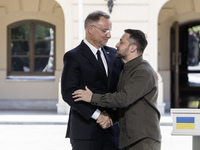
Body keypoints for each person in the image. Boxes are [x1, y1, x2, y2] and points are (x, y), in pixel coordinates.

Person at [73, 29, 162, 150]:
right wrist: (110, 118)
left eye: (121, 42)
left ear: (132, 48)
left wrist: (92, 97)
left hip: (143, 140)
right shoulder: (126, 69)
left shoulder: (143, 71)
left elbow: (123, 99)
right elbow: (126, 106)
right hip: (129, 139)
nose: (116, 45)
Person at [61, 10, 123, 150]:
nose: (109, 35)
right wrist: (98, 116)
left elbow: (127, 77)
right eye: (105, 30)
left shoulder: (114, 54)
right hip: (85, 131)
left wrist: (148, 71)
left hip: (113, 129)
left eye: (110, 31)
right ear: (90, 29)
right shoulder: (73, 56)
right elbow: (68, 93)